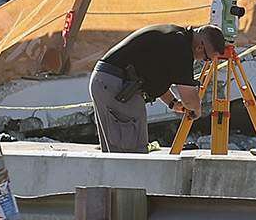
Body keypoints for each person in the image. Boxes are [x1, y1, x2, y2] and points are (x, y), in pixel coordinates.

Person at [89, 24, 224, 153]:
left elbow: (154, 77)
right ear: (200, 47)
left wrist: (173, 103)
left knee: (116, 151)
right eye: (207, 58)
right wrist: (197, 110)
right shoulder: (181, 49)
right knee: (130, 155)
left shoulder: (174, 37)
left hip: (108, 82)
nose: (204, 61)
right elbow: (189, 100)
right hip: (118, 87)